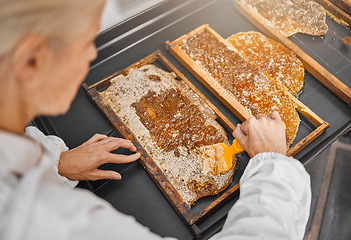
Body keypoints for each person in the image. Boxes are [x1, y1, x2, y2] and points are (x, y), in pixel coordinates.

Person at [0, 0, 311, 239]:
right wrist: (273, 164)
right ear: (31, 59)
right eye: (85, 45)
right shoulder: (56, 223)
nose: (90, 59)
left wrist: (55, 161)